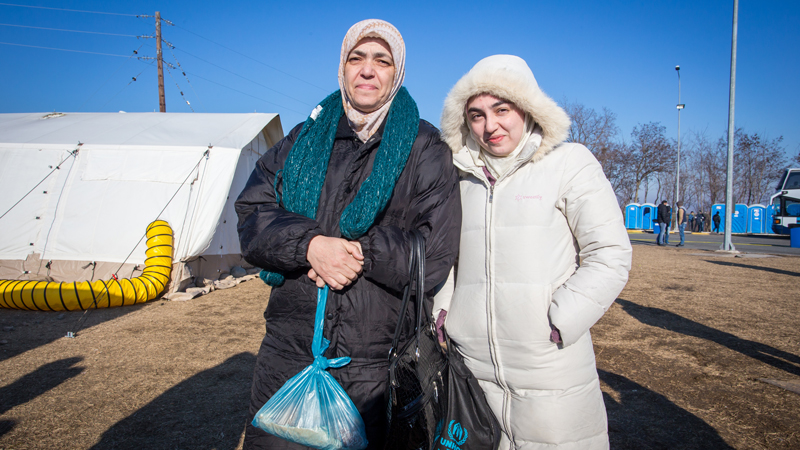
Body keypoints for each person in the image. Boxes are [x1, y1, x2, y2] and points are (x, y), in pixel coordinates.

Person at [235, 19, 461, 449]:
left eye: (382, 60)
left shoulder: (425, 148)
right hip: (287, 357)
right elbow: (252, 213)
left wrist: (356, 252)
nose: (367, 70)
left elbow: (434, 255)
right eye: (356, 58)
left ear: (398, 73)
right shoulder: (303, 139)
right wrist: (310, 246)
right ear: (342, 68)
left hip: (375, 369)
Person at [434, 55, 632, 450]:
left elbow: (609, 252)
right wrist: (444, 310)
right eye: (476, 115)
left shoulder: (569, 163)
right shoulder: (458, 177)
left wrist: (559, 320)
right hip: (473, 372)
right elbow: (449, 257)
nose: (490, 126)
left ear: (527, 108)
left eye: (501, 109)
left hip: (550, 368)